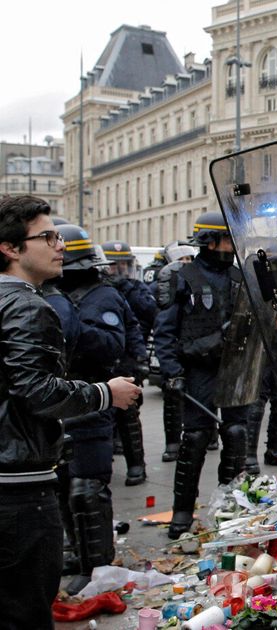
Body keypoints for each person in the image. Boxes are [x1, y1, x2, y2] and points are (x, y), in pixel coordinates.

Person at [0, 195, 140, 629]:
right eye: (47, 236)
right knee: (25, 612)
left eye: (58, 235)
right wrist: (105, 392)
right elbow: (38, 392)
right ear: (10, 248)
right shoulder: (26, 305)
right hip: (20, 490)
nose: (59, 245)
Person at [155, 212, 254, 539]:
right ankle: (182, 511)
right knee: (196, 439)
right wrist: (171, 372)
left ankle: (230, 505)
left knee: (237, 433)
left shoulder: (240, 277)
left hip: (235, 368)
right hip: (198, 368)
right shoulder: (182, 276)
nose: (230, 245)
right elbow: (165, 331)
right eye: (226, 239)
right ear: (209, 242)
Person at [56, 229, 137, 594]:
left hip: (91, 400)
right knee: (61, 486)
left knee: (87, 487)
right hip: (58, 400)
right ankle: (77, 553)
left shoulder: (101, 296)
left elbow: (108, 346)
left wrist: (67, 324)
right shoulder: (50, 295)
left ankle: (98, 567)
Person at [101, 241, 153, 486]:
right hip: (104, 362)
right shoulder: (98, 292)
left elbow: (141, 318)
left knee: (129, 415)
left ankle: (137, 466)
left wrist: (141, 356)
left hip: (126, 360)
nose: (120, 269)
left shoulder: (135, 288)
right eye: (115, 265)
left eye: (124, 264)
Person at [153, 240, 198, 462]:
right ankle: (172, 443)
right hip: (177, 353)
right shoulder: (170, 287)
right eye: (182, 259)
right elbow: (164, 330)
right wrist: (171, 368)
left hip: (197, 353)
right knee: (173, 400)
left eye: (189, 259)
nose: (186, 263)